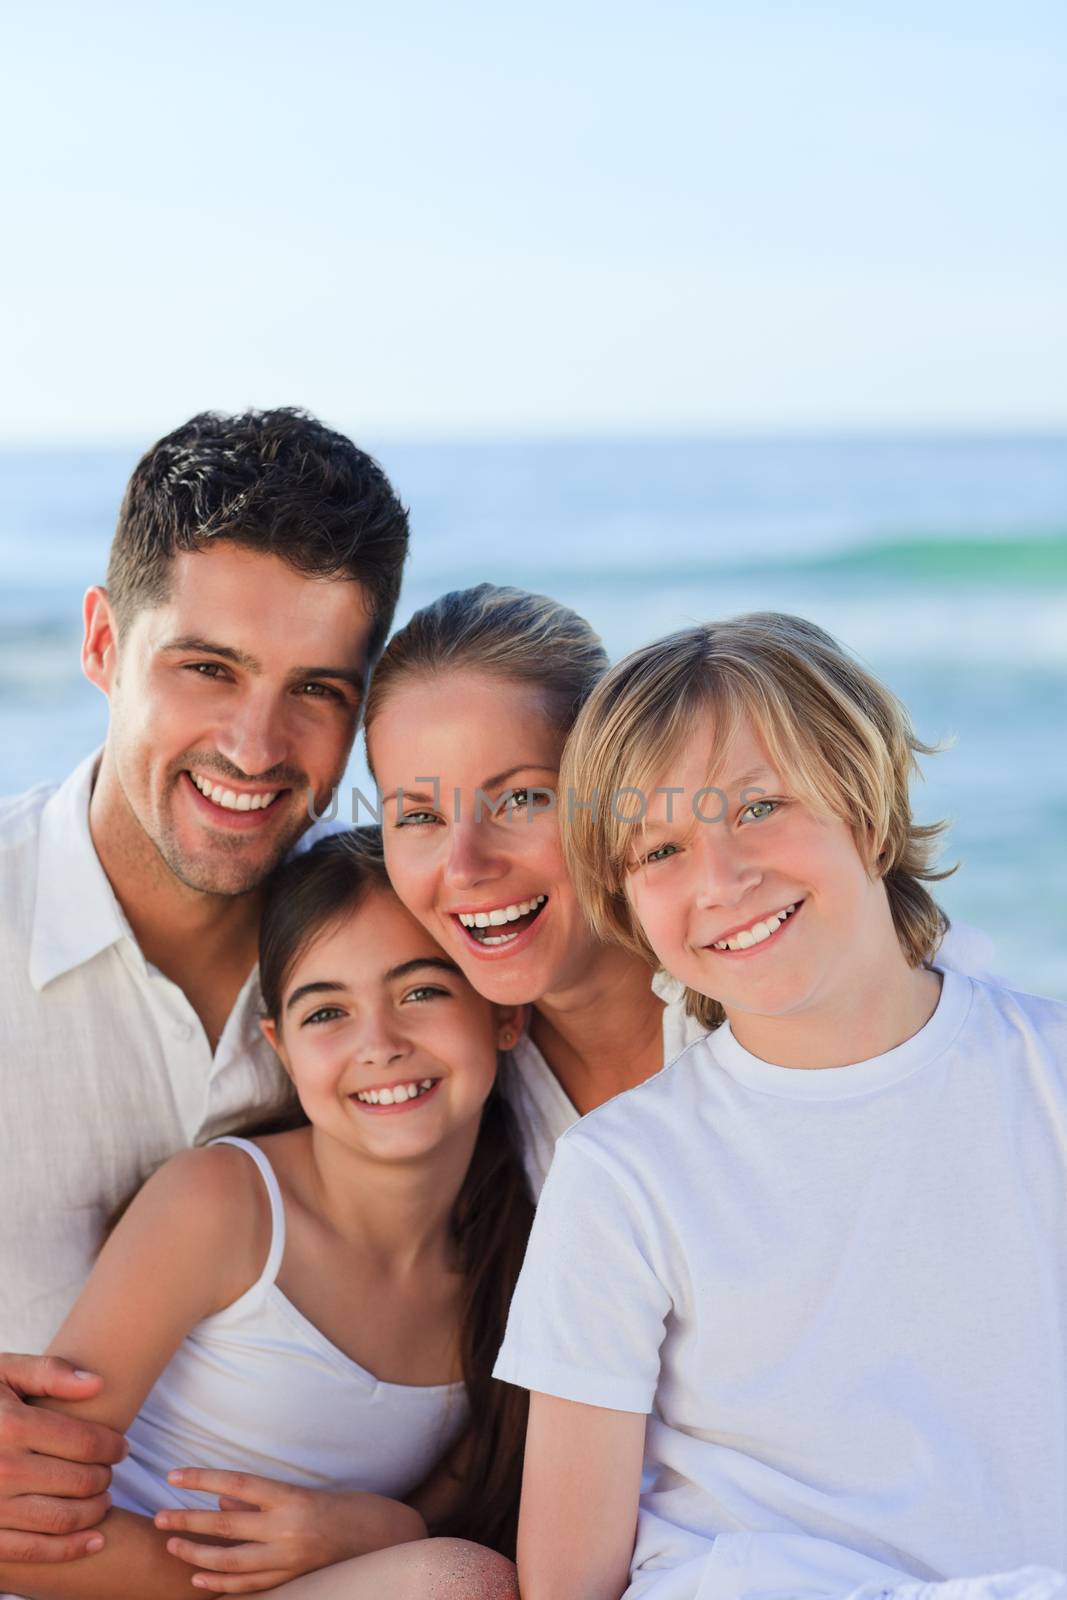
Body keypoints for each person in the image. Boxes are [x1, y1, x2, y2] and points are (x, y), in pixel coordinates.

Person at [492, 612, 1067, 1600]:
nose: (720, 878)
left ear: (867, 808)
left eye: (757, 807)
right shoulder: (625, 1172)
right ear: (627, 905)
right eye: (658, 849)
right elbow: (567, 1578)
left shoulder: (1042, 1075)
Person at [0, 408, 409, 1565]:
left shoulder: (411, 973)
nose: (254, 744)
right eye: (207, 668)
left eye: (317, 690)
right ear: (100, 643)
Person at [0, 829, 526, 1600]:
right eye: (326, 1014)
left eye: (421, 991)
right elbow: (20, 1529)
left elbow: (417, 1527)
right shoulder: (223, 1204)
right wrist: (367, 1549)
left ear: (503, 1015)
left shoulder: (512, 1269)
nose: (378, 1044)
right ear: (279, 1047)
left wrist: (385, 1530)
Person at [363, 584, 997, 1197]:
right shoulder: (426, 1054)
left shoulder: (811, 996)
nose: (466, 866)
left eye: (523, 799)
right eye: (418, 816)